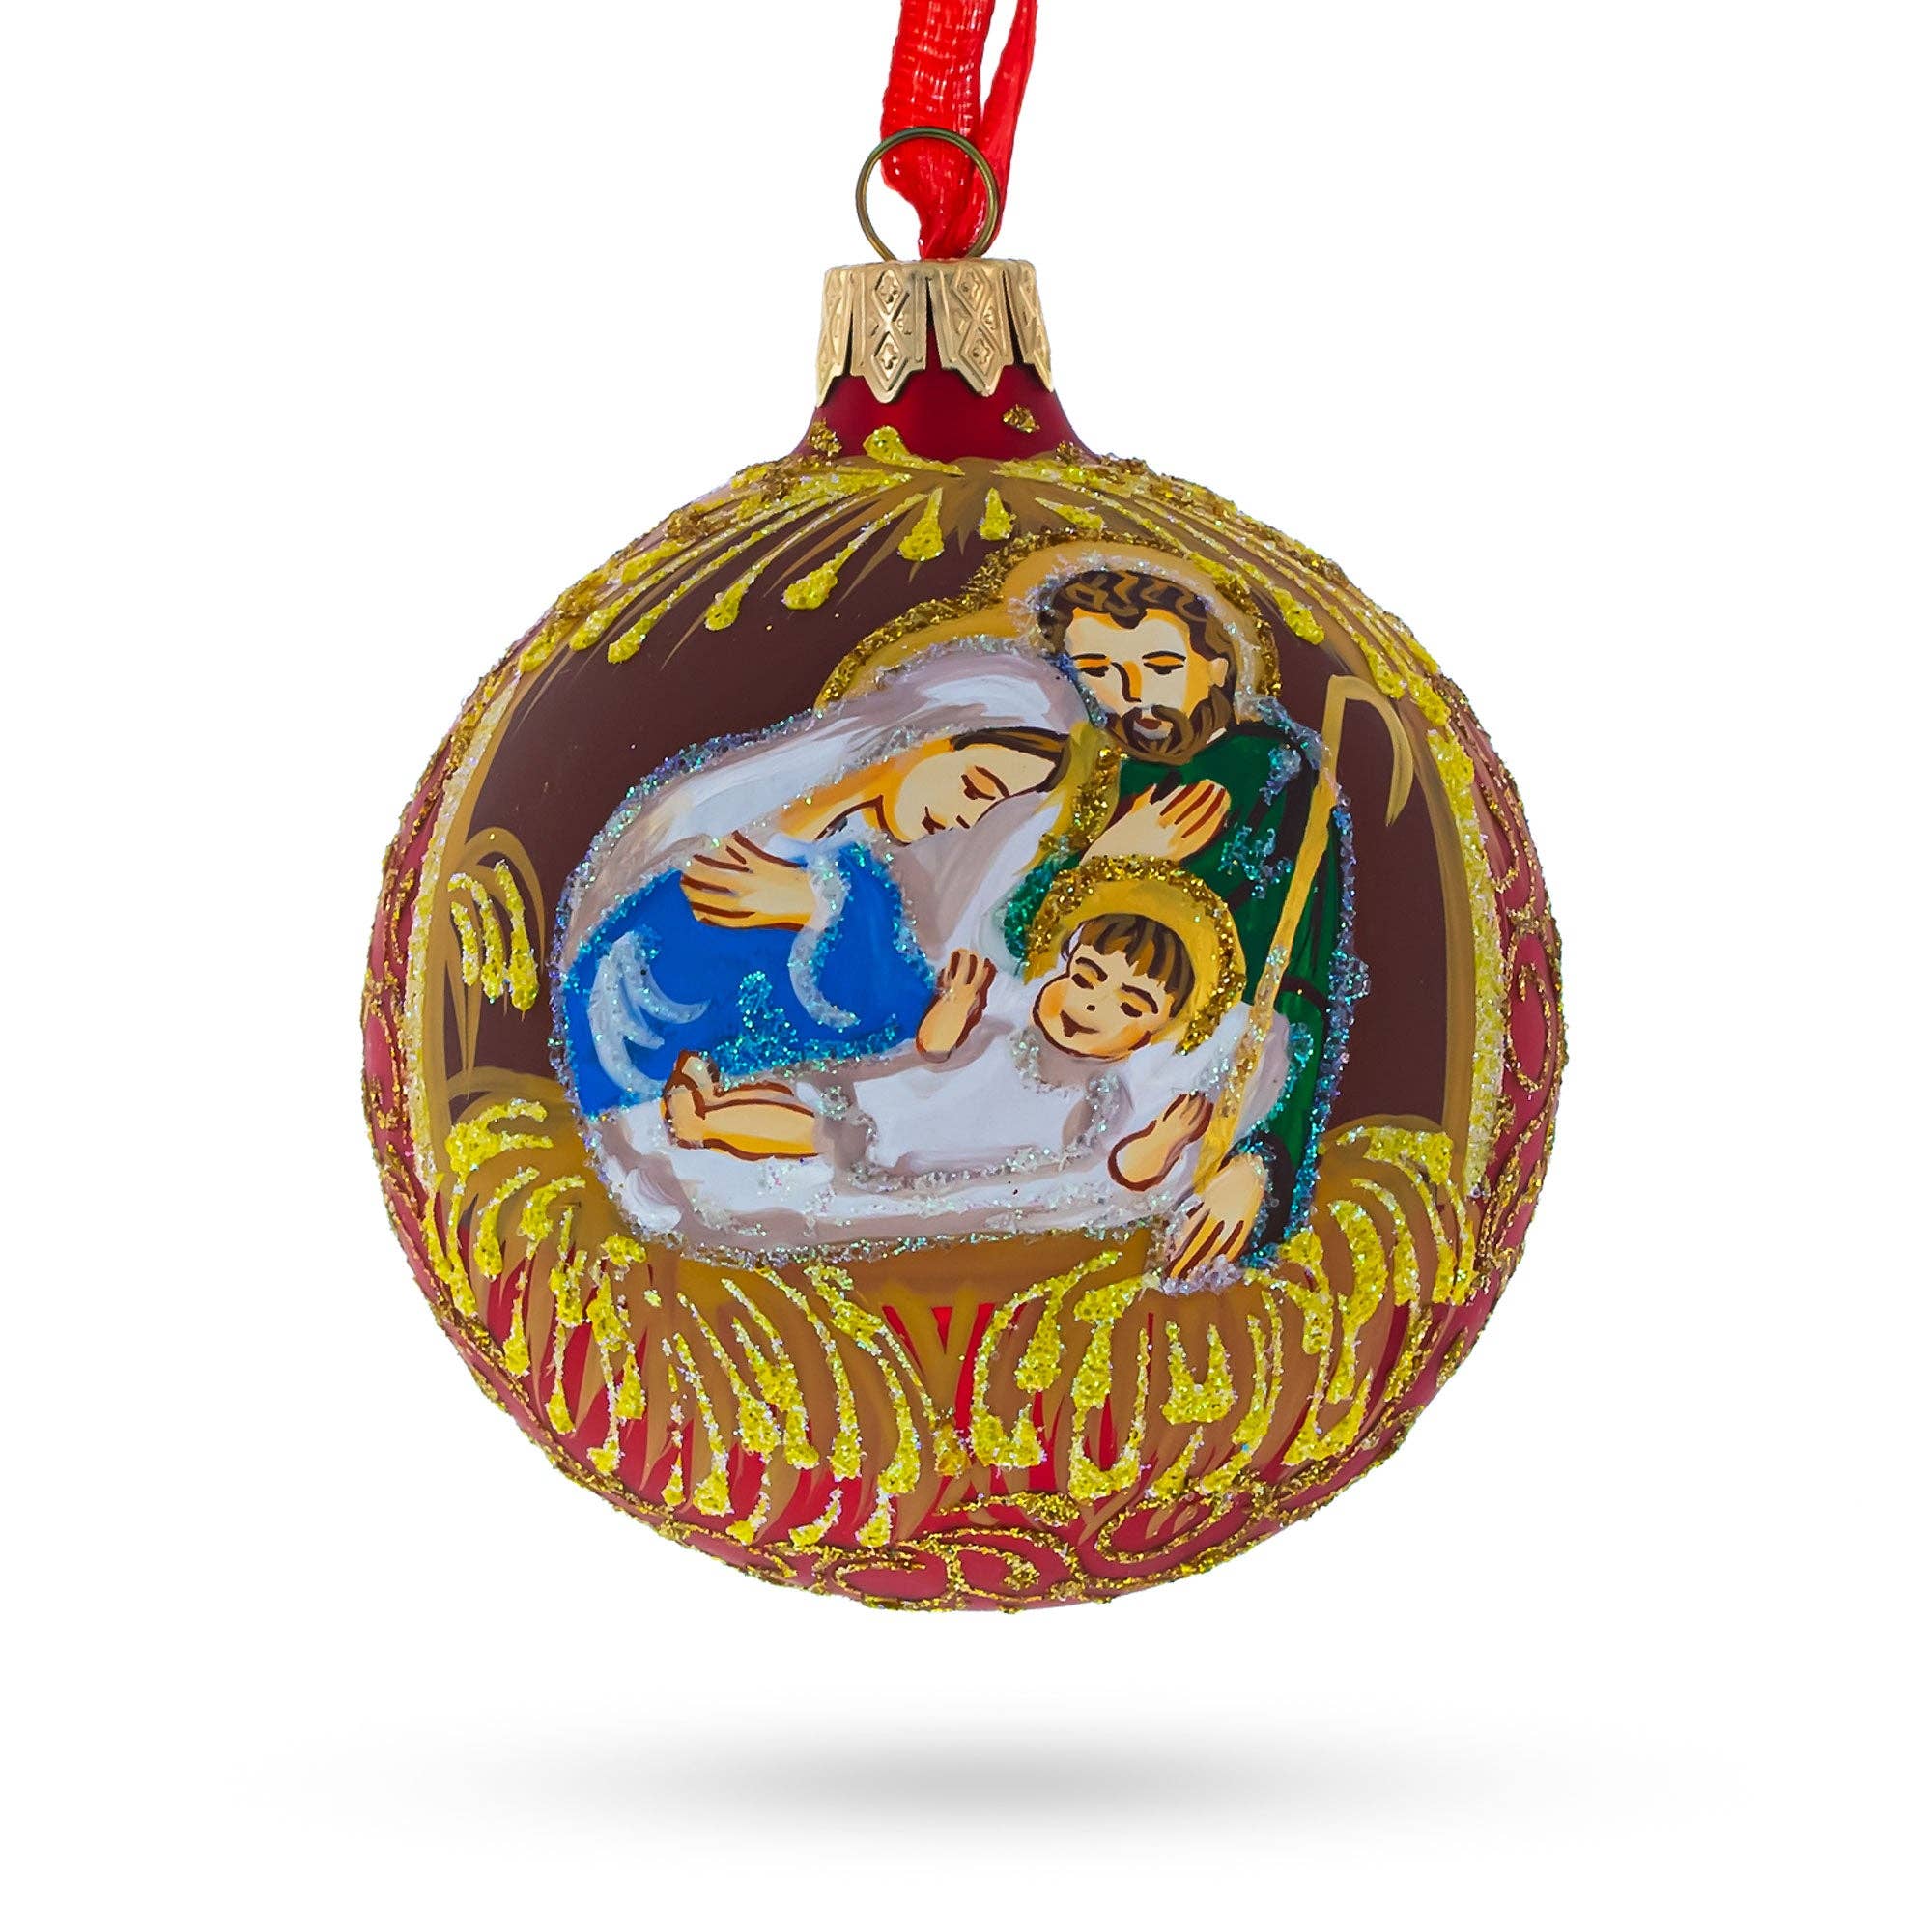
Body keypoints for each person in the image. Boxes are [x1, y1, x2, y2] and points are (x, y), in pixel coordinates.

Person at [1012, 569, 1355, 1274]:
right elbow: (1011, 943)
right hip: (1026, 1083)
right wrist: (1104, 860)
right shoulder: (1092, 767)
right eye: (1099, 670)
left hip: (1178, 1103)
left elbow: (1294, 991)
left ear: (1218, 665)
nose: (1134, 693)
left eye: (1162, 666)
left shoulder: (1274, 777)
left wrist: (1260, 1161)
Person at [560, 726, 1072, 1118]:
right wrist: (824, 908)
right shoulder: (750, 823)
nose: (965, 818)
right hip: (623, 1044)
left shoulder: (864, 884)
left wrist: (938, 1017)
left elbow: (886, 1013)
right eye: (975, 787)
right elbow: (661, 928)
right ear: (935, 739)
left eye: (990, 812)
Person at [661, 909, 1241, 1212]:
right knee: (816, 1106)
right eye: (1086, 977)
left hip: (927, 1147)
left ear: (1151, 1035)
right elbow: (935, 1047)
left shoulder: (1104, 1095)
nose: (1093, 1004)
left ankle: (705, 1121)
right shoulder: (1007, 1027)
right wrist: (957, 1003)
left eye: (1129, 1005)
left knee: (815, 1132)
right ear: (1061, 967)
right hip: (908, 1100)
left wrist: (1163, 1140)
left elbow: (1125, 1169)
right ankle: (716, 1109)